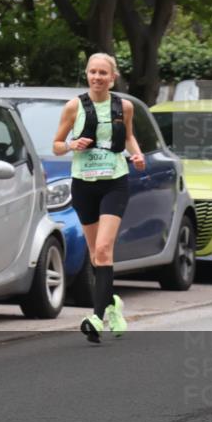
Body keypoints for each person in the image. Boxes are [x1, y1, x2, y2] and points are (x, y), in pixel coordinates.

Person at [52, 53, 146, 343]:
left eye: (102, 73)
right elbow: (56, 146)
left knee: (104, 249)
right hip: (84, 184)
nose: (97, 77)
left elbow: (128, 136)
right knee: (95, 254)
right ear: (87, 74)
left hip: (114, 183)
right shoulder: (74, 107)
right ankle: (113, 303)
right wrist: (70, 145)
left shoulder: (124, 106)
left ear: (112, 77)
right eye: (92, 72)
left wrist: (137, 153)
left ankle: (96, 317)